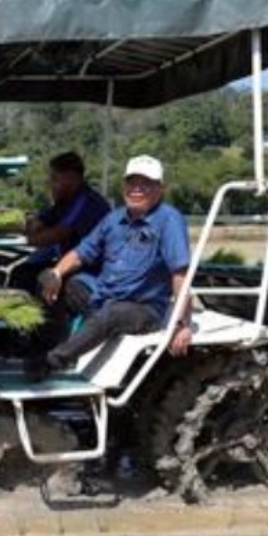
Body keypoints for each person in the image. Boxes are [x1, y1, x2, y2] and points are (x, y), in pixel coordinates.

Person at [28, 154, 194, 380]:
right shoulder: (113, 219)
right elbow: (82, 252)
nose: (137, 189)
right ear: (124, 187)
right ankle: (50, 346)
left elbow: (180, 274)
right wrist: (56, 273)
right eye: (132, 183)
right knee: (52, 282)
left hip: (142, 307)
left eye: (145, 184)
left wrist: (183, 323)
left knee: (112, 315)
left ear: (159, 189)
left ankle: (53, 361)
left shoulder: (168, 219)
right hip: (104, 294)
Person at [7, 151, 111, 292]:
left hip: (90, 269)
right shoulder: (64, 202)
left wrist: (21, 240)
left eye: (55, 178)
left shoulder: (85, 201)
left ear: (72, 178)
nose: (50, 183)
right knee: (22, 272)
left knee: (27, 277)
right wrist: (10, 225)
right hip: (70, 263)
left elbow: (57, 234)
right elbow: (38, 222)